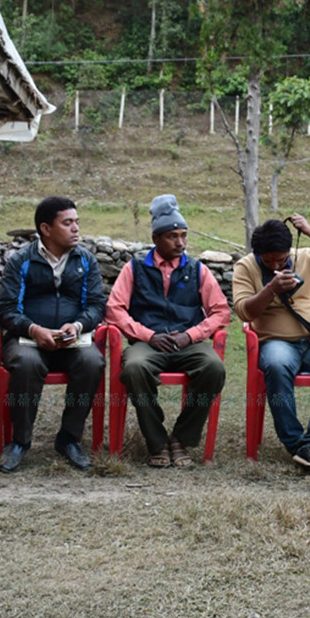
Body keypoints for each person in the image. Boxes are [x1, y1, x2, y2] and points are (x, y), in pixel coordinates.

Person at [105, 195, 230, 468]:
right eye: (173, 236)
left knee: (213, 367)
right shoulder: (135, 268)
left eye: (184, 235)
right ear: (156, 238)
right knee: (135, 368)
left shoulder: (197, 270)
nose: (180, 242)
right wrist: (148, 335)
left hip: (188, 342)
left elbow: (221, 312)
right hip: (148, 343)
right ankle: (157, 441)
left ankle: (181, 438)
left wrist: (191, 335)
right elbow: (114, 310)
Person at [232, 214, 310, 475]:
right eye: (268, 261)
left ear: (289, 250)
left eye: (281, 259)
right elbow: (243, 311)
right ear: (258, 254)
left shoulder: (305, 257)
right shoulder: (246, 267)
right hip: (275, 343)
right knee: (276, 365)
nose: (276, 264)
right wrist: (270, 290)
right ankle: (295, 442)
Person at [0, 196, 107, 473]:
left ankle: (69, 438)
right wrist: (34, 329)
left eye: (77, 222)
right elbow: (7, 310)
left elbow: (96, 305)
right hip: (27, 340)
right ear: (46, 229)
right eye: (67, 223)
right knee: (26, 363)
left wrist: (77, 326)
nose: (76, 229)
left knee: (92, 361)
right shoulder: (21, 261)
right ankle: (20, 441)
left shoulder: (86, 260)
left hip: (72, 340)